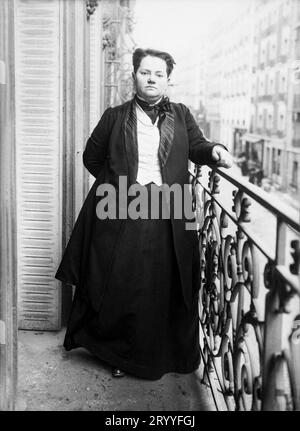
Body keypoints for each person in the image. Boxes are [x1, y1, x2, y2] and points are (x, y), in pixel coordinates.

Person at [55, 48, 233, 380]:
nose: (151, 79)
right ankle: (121, 353)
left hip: (174, 204)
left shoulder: (181, 114)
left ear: (167, 80)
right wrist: (120, 185)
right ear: (134, 75)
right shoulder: (114, 115)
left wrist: (215, 150)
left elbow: (197, 146)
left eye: (158, 74)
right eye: (144, 72)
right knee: (123, 280)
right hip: (124, 205)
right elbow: (93, 158)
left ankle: (163, 353)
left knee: (166, 281)